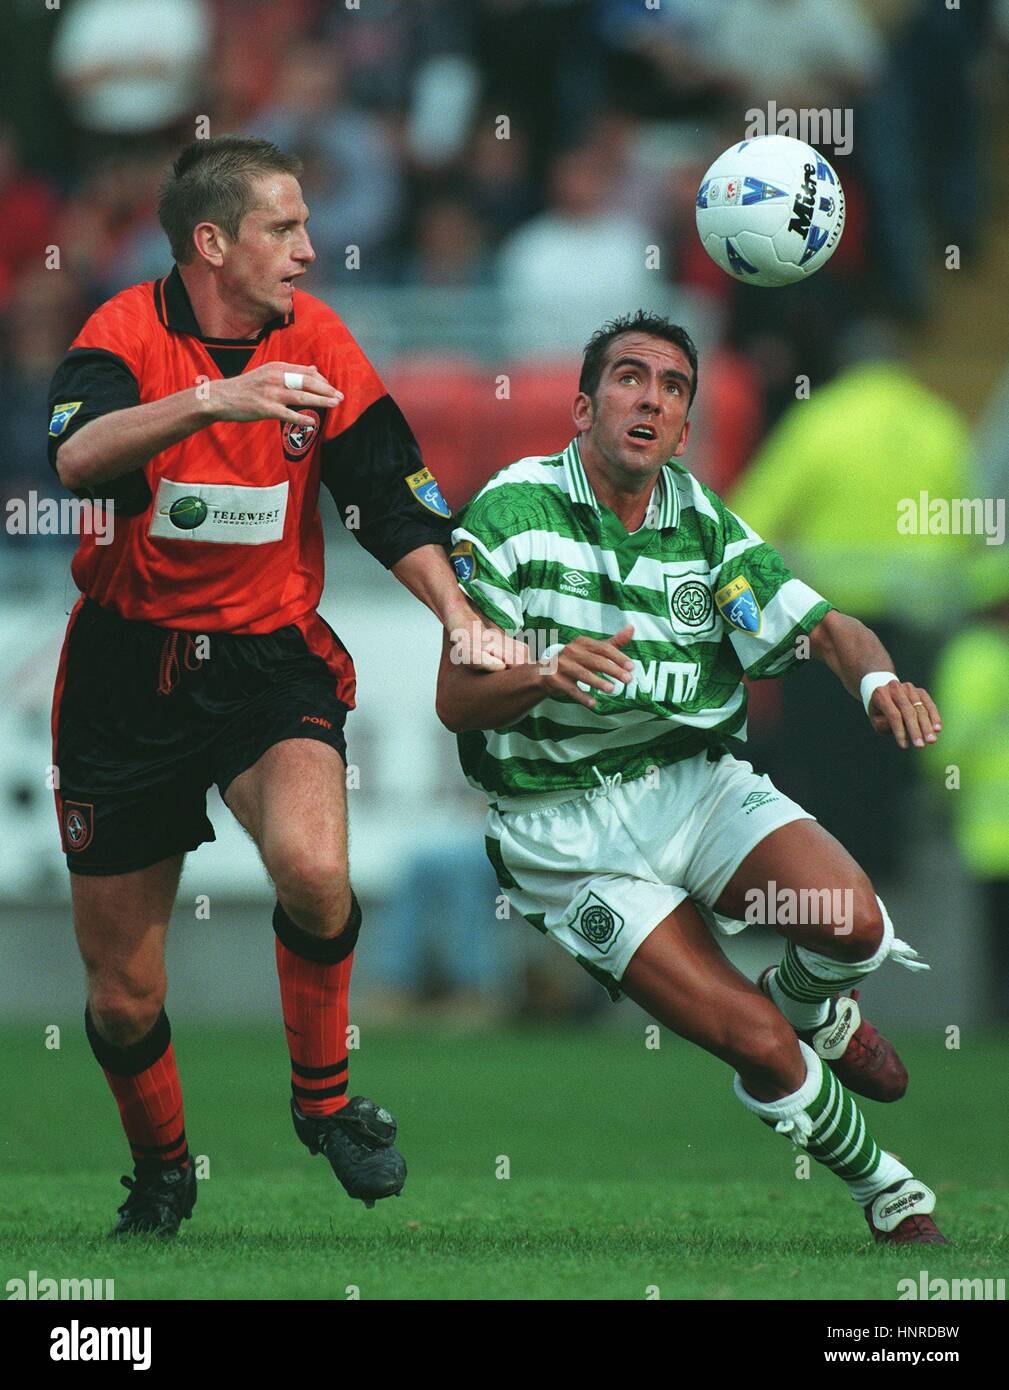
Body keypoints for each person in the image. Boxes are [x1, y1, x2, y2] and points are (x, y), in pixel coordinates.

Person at [47, 135, 507, 1238]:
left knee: (314, 869)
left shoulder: (322, 340)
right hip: (129, 670)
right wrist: (217, 400)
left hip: (269, 658)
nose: (310, 248)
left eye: (307, 225)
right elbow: (75, 461)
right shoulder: (119, 333)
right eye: (285, 229)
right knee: (124, 992)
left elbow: (387, 497)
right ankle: (163, 1172)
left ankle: (326, 1103)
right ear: (213, 242)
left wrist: (459, 616)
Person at [436, 310, 946, 1245]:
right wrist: (543, 671)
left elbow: (824, 624)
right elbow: (455, 703)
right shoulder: (511, 514)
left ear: (682, 426)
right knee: (753, 1042)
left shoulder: (701, 522)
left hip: (690, 783)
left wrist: (876, 679)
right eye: (632, 378)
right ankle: (888, 1191)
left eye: (674, 389)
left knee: (855, 927)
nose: (652, 400)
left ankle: (812, 1011)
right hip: (564, 833)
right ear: (585, 406)